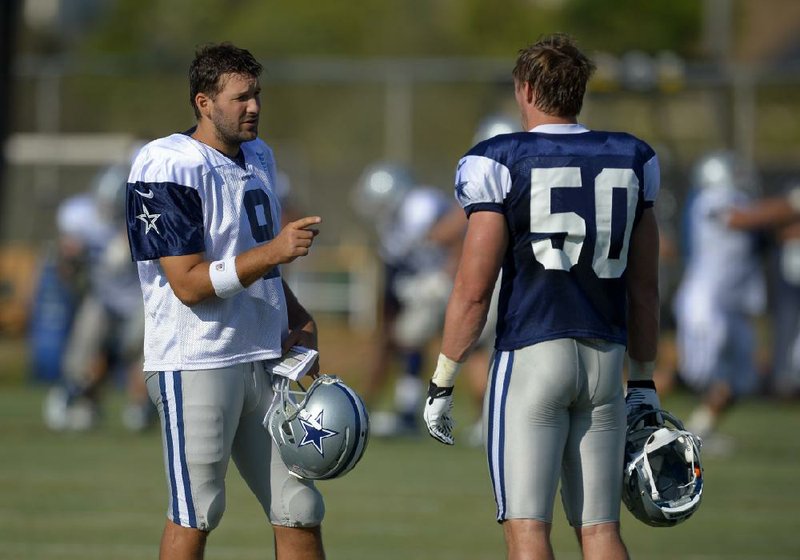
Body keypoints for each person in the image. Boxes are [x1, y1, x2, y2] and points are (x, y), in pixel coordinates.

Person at [423, 34, 661, 560]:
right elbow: (645, 290)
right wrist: (643, 380)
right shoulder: (633, 157)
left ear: (525, 89)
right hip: (607, 359)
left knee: (527, 528)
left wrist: (443, 379)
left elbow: (473, 290)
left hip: (532, 352)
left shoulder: (499, 159)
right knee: (601, 530)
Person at [125, 43, 326, 560]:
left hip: (261, 354)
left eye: (256, 95)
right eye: (240, 98)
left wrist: (296, 315)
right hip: (197, 359)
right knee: (199, 511)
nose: (253, 107)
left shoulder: (260, 156)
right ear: (203, 102)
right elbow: (188, 283)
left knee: (299, 507)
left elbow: (256, 264)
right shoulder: (166, 163)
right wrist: (275, 250)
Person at [352, 162, 457, 437]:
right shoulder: (391, 221)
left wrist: (447, 274)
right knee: (405, 340)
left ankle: (410, 414)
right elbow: (393, 263)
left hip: (447, 281)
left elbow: (460, 234)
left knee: (466, 346)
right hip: (417, 285)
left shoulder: (422, 204)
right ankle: (406, 412)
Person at [673, 151, 766, 452]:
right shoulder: (710, 200)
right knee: (691, 374)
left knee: (739, 378)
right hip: (705, 304)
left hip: (732, 305)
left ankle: (700, 430)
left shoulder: (742, 201)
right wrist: (791, 204)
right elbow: (740, 220)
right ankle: (622, 413)